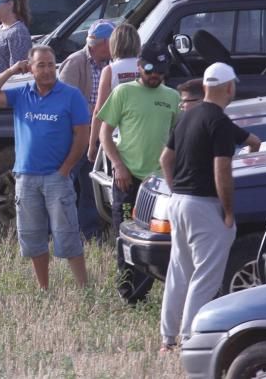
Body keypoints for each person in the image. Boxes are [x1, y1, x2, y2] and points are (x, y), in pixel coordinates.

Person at [159, 63, 260, 351]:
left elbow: (166, 158)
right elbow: (222, 171)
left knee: (180, 271)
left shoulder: (188, 117)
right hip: (204, 206)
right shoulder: (218, 122)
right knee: (205, 275)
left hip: (177, 203)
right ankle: (192, 340)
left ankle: (168, 339)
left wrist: (176, 188)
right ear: (230, 88)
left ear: (204, 87)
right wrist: (228, 211)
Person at [0, 46, 91, 289]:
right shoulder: (21, 94)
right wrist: (10, 71)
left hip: (56, 178)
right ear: (30, 68)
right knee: (33, 237)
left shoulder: (71, 96)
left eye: (51, 65)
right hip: (26, 178)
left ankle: (84, 289)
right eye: (41, 65)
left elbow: (82, 135)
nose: (48, 70)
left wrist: (65, 169)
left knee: (67, 235)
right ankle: (44, 289)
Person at [97, 43, 180, 237]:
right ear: (139, 66)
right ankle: (124, 268)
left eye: (161, 72)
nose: (155, 76)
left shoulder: (172, 96)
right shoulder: (123, 92)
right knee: (125, 232)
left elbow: (178, 136)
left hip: (159, 179)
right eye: (150, 70)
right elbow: (105, 133)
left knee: (155, 233)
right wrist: (118, 165)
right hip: (128, 177)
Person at [59, 20, 114, 240]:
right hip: (76, 135)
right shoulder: (76, 62)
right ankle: (64, 231)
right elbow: (64, 100)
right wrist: (97, 109)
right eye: (111, 41)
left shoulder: (111, 64)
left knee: (92, 187)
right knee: (67, 185)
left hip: (100, 134)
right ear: (99, 44)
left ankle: (89, 232)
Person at [88, 23, 141, 162]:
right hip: (146, 134)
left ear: (114, 43)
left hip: (119, 137)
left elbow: (99, 110)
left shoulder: (110, 70)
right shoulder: (147, 66)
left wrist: (92, 143)